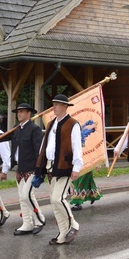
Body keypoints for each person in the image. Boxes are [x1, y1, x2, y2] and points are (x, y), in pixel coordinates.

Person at [34, 94, 82, 245]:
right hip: (51, 166)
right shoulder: (51, 123)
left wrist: (77, 167)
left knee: (58, 198)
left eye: (57, 104)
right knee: (54, 202)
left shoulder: (72, 124)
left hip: (65, 166)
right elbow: (45, 146)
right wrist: (40, 166)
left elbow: (77, 146)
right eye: (53, 104)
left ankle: (73, 225)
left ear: (65, 107)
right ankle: (62, 233)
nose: (54, 107)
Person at [9, 102, 46, 236]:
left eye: (22, 111)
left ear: (29, 114)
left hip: (31, 168)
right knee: (21, 197)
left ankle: (40, 218)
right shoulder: (16, 128)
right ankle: (27, 223)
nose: (19, 114)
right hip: (20, 168)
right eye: (18, 111)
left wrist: (39, 169)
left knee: (27, 195)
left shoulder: (34, 129)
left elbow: (39, 151)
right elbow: (3, 137)